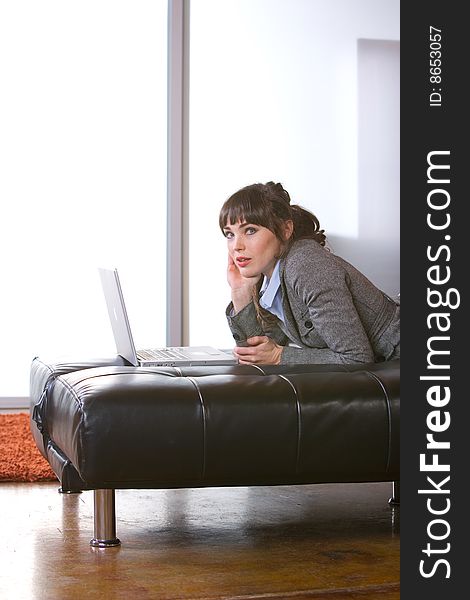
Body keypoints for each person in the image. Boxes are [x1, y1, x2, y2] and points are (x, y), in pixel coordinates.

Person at [220, 181, 400, 365]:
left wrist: (279, 356)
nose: (236, 246)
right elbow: (257, 354)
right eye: (229, 234)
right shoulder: (270, 277)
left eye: (250, 230)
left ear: (285, 229)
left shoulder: (305, 265)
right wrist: (240, 294)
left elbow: (356, 358)